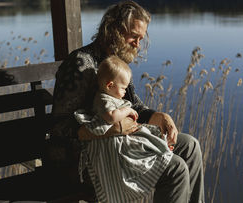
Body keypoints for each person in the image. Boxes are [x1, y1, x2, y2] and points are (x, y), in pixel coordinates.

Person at [51, 0, 205, 203]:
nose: (137, 44)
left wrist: (160, 117)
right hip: (87, 157)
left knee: (190, 146)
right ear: (113, 29)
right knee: (175, 168)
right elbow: (59, 126)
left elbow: (134, 106)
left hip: (122, 145)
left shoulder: (116, 61)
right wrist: (108, 129)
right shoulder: (80, 63)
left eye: (141, 39)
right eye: (134, 36)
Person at [74, 55, 174, 202]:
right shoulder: (103, 100)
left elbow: (136, 106)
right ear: (109, 85)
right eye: (123, 88)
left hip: (125, 134)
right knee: (174, 166)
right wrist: (127, 111)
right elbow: (111, 117)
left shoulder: (111, 96)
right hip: (113, 143)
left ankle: (161, 146)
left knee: (184, 144)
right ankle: (160, 151)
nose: (125, 92)